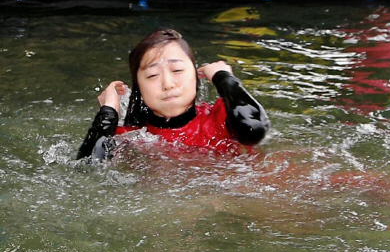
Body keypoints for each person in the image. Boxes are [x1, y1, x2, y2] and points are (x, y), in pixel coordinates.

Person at [77, 28, 270, 161]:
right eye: (152, 75)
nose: (168, 84)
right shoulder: (131, 138)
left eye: (177, 70)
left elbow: (254, 130)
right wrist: (108, 112)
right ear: (139, 90)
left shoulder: (221, 117)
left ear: (196, 77)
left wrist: (225, 79)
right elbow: (88, 168)